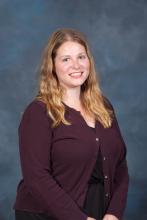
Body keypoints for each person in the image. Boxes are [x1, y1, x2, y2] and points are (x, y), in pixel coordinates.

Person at [13, 28, 129, 220]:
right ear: (52, 66)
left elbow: (120, 165)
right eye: (66, 59)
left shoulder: (103, 106)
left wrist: (114, 213)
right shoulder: (39, 112)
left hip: (99, 211)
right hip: (47, 214)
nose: (76, 65)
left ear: (89, 61)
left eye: (81, 57)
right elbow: (37, 178)